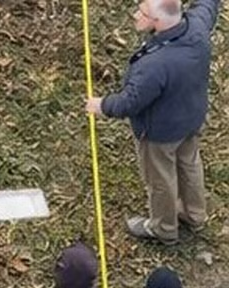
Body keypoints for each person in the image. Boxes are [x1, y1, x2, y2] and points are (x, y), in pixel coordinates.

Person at [85, 0, 221, 244]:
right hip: (191, 119)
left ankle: (164, 229)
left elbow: (130, 102)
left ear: (157, 22)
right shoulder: (197, 26)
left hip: (160, 133)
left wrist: (102, 105)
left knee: (160, 180)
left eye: (143, 12)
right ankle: (195, 214)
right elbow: (208, 4)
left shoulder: (154, 66)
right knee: (190, 164)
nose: (136, 14)